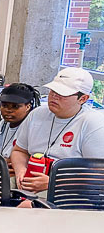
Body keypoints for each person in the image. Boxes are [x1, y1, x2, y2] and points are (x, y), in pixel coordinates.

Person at [12, 67, 104, 195]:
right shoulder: (37, 114)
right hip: (32, 178)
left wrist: (53, 182)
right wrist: (21, 171)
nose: (54, 96)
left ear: (82, 99)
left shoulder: (93, 124)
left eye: (62, 94)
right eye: (52, 91)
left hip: (70, 190)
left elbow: (99, 174)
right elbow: (19, 151)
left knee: (27, 208)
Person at [0, 83, 40, 183]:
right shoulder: (3, 124)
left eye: (15, 107)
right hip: (3, 170)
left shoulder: (34, 127)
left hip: (20, 174)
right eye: (4, 105)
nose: (8, 110)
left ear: (28, 107)